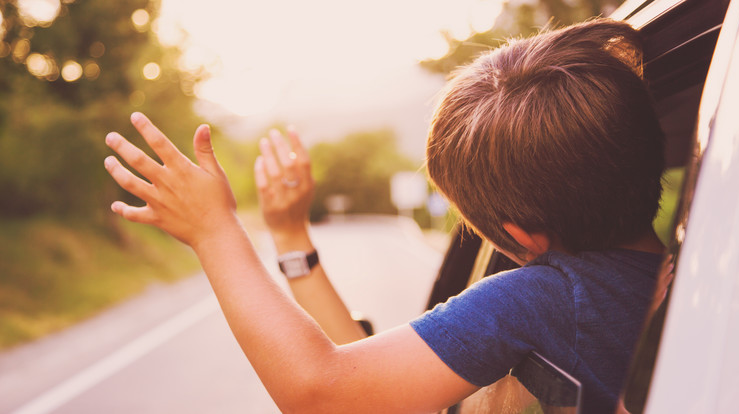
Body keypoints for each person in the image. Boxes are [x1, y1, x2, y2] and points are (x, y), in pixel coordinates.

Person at [103, 18, 666, 413]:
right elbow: (378, 391)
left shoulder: (545, 300)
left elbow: (323, 393)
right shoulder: (685, 281)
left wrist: (215, 231)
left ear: (520, 237)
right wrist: (290, 236)